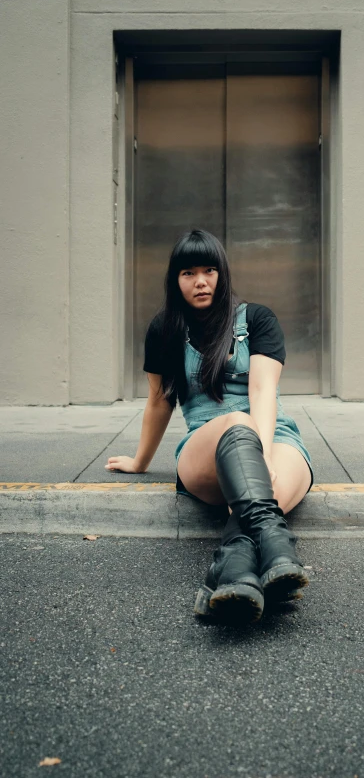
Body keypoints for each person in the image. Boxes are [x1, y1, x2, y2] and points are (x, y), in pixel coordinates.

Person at [105, 229, 314, 624]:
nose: (200, 281)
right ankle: (276, 546)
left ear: (223, 274)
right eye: (188, 273)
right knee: (236, 421)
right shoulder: (164, 329)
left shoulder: (257, 320)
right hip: (205, 447)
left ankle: (233, 568)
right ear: (175, 279)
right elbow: (158, 400)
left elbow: (263, 391)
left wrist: (263, 454)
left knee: (256, 473)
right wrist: (139, 460)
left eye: (209, 270)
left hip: (275, 438)